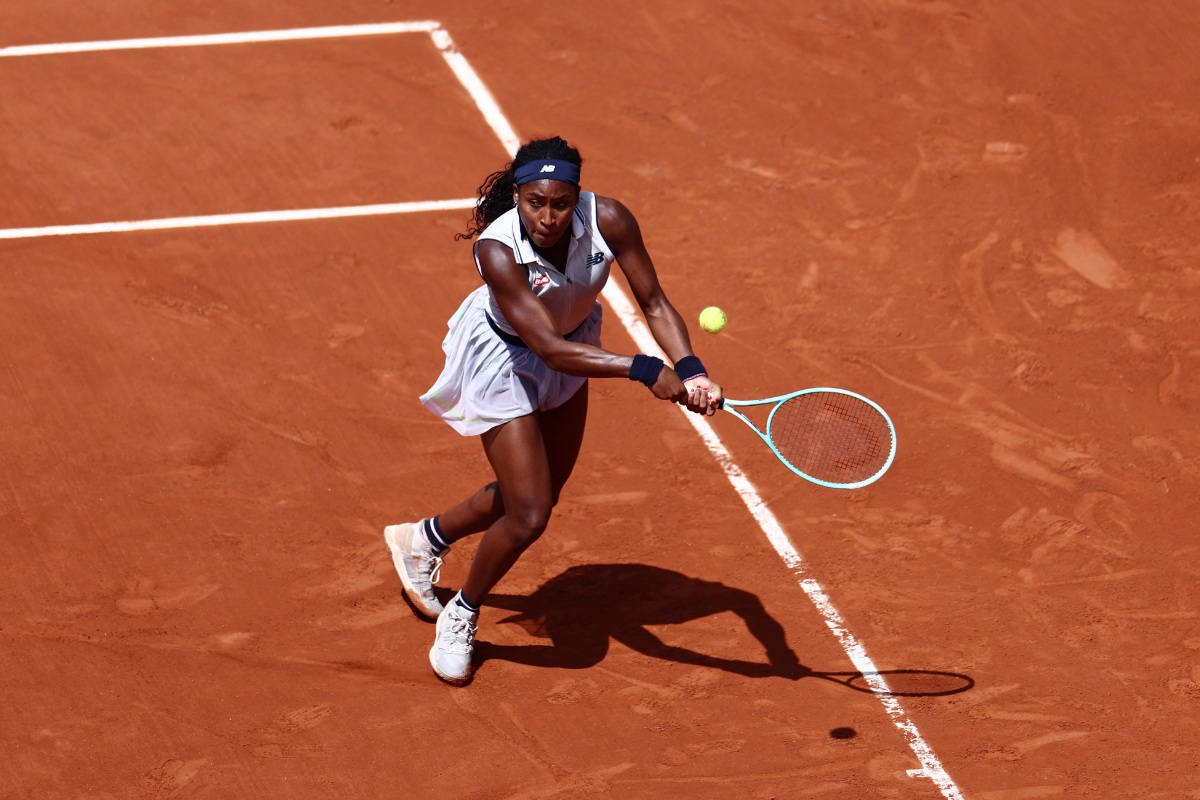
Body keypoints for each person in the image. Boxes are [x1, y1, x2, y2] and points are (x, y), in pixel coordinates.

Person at [384, 136, 723, 685]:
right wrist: (643, 369)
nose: (547, 216)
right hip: (507, 358)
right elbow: (544, 346)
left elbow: (655, 302)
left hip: (575, 346)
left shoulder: (609, 219)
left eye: (560, 203)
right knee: (531, 512)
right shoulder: (496, 249)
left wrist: (690, 369)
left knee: (535, 492)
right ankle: (462, 612)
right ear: (517, 197)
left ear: (577, 197)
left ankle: (423, 539)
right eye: (535, 202)